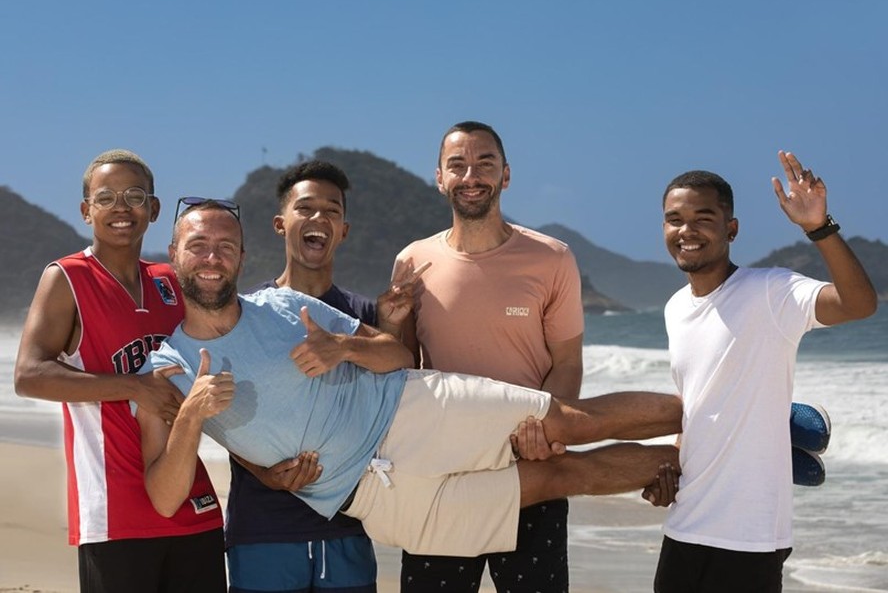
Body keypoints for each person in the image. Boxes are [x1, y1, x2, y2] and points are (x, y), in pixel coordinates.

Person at [139, 199, 684, 564]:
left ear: (241, 256)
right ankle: (716, 461)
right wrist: (191, 415)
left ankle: (710, 413)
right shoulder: (166, 368)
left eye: (225, 247)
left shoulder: (282, 305)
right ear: (174, 252)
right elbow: (164, 497)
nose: (212, 258)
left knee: (568, 421)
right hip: (373, 499)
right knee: (558, 478)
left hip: (413, 410)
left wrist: (343, 347)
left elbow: (396, 355)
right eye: (198, 246)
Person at [653, 151, 877, 592]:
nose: (687, 231)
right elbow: (695, 405)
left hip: (750, 535)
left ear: (731, 228)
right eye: (674, 219)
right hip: (684, 523)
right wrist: (671, 471)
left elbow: (859, 304)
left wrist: (818, 227)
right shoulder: (675, 308)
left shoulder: (771, 292)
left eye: (703, 217)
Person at [13, 150, 225, 592]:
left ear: (154, 209)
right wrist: (134, 387)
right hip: (115, 514)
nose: (121, 207)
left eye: (134, 195)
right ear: (86, 210)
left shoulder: (171, 281)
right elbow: (29, 375)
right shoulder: (67, 278)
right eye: (105, 197)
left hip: (193, 504)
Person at [388, 120, 585, 592]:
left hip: (530, 468)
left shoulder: (552, 258)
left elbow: (568, 362)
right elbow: (402, 365)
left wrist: (544, 430)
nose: (471, 175)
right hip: (440, 471)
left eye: (485, 163)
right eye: (457, 165)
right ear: (439, 178)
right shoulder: (412, 261)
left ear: (506, 174)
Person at [227, 161, 382, 593]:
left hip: (347, 525)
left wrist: (347, 345)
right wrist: (261, 473)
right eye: (306, 208)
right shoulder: (247, 312)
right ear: (281, 223)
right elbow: (222, 411)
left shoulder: (364, 317)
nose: (319, 219)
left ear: (344, 230)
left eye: (331, 211)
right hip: (263, 526)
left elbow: (399, 383)